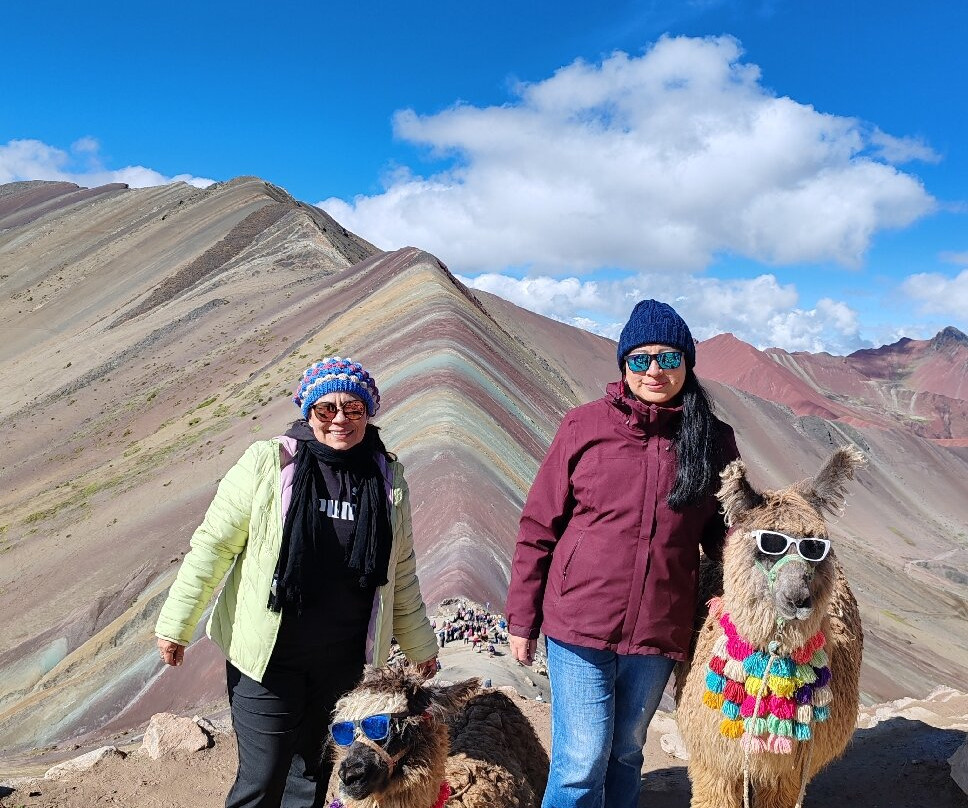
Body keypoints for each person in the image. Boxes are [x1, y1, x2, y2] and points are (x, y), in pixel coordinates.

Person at [155, 357, 438, 808]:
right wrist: (176, 623)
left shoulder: (387, 480)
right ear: (309, 412)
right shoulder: (268, 464)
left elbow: (399, 573)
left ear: (369, 413)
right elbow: (213, 547)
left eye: (353, 408)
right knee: (262, 779)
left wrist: (421, 647)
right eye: (326, 409)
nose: (340, 419)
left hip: (345, 665)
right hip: (269, 658)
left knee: (311, 780)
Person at [505, 300, 739, 808]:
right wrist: (522, 620)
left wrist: (737, 594)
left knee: (628, 751)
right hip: (578, 621)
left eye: (669, 358)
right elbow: (539, 526)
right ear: (624, 364)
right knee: (580, 761)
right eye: (641, 359)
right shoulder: (584, 426)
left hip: (659, 626)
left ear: (687, 363)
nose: (655, 370)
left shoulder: (713, 441)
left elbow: (726, 536)